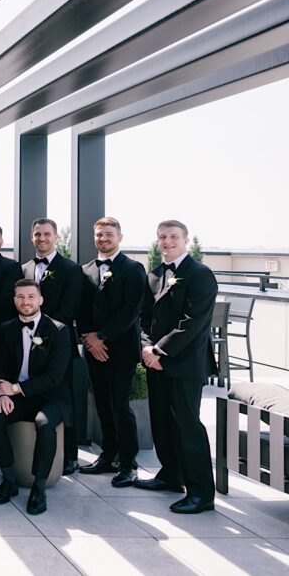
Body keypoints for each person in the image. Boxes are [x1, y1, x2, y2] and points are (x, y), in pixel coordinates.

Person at [136, 220, 217, 514]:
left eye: (173, 237)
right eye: (162, 237)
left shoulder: (200, 274)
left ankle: (201, 493)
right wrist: (146, 348)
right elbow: (144, 317)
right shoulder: (154, 274)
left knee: (187, 425)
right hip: (155, 361)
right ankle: (171, 475)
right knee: (161, 422)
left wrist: (160, 350)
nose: (167, 242)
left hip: (185, 363)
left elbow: (193, 322)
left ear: (185, 240)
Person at [0, 280, 72, 515]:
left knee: (44, 424)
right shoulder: (6, 329)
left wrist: (14, 389)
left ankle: (39, 487)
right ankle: (8, 479)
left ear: (41, 300)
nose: (26, 302)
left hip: (51, 397)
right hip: (18, 397)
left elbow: (54, 377)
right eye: (21, 297)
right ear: (14, 300)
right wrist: (0, 393)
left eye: (31, 297)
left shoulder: (59, 330)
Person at [76, 217, 146, 488]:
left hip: (122, 350)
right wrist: (89, 339)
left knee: (120, 405)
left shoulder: (133, 268)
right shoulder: (85, 270)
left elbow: (131, 310)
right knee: (102, 405)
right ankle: (107, 456)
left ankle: (128, 464)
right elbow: (81, 309)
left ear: (120, 237)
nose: (103, 239)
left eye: (108, 234)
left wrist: (102, 336)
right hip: (94, 350)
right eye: (99, 235)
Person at [21, 218, 83, 475]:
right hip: (26, 344)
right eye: (37, 234)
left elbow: (70, 309)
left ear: (56, 237)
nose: (42, 238)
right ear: (32, 237)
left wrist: (44, 333)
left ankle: (70, 456)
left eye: (47, 234)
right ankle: (27, 452)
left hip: (59, 346)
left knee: (63, 399)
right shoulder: (24, 268)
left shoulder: (71, 269)